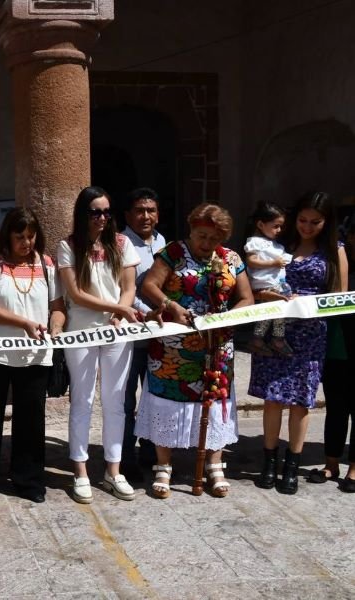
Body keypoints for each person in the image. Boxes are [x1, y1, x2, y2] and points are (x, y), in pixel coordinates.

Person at [136, 203, 254, 499]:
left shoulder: (231, 258)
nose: (206, 244)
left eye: (214, 239)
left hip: (216, 346)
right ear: (191, 230)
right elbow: (149, 286)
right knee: (167, 399)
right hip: (173, 350)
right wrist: (171, 306)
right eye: (201, 236)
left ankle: (215, 463)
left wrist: (228, 318)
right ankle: (163, 465)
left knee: (214, 400)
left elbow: (246, 298)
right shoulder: (173, 253)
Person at [0, 207, 66, 504]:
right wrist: (25, 323)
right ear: (8, 235)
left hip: (34, 356)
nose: (26, 243)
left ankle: (29, 480)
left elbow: (57, 306)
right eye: (20, 236)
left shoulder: (46, 265)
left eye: (31, 236)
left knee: (31, 421)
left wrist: (56, 326)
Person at [249, 192, 347, 494]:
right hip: (275, 326)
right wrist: (275, 298)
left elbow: (339, 299)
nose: (306, 226)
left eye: (314, 222)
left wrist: (308, 303)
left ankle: (292, 463)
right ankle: (269, 461)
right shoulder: (280, 244)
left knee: (301, 401)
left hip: (310, 332)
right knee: (273, 397)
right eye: (302, 220)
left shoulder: (335, 251)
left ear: (326, 222)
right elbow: (256, 281)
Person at [58, 186, 141, 504]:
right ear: (83, 214)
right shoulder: (68, 246)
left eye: (107, 211)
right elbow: (76, 294)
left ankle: (113, 469)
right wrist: (119, 309)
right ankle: (80, 471)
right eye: (95, 212)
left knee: (116, 401)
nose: (102, 218)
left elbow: (129, 286)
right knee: (82, 399)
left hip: (117, 333)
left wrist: (120, 313)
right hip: (81, 332)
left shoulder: (122, 243)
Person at [121, 187, 166, 479]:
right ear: (128, 215)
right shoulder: (119, 243)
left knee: (156, 396)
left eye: (150, 210)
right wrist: (144, 312)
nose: (145, 216)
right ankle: (125, 458)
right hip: (131, 334)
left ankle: (152, 452)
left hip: (160, 337)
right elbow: (123, 289)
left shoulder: (164, 243)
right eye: (139, 210)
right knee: (125, 400)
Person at [311, 217, 355, 492]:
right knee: (336, 407)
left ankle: (354, 469)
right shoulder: (338, 260)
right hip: (337, 346)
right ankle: (331, 463)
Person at [244, 202, 294, 357]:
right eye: (275, 226)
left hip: (277, 285)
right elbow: (251, 261)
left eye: (281, 227)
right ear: (260, 224)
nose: (279, 230)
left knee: (271, 313)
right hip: (266, 285)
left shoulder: (276, 245)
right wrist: (273, 263)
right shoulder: (255, 242)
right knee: (278, 311)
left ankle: (259, 339)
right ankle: (276, 339)